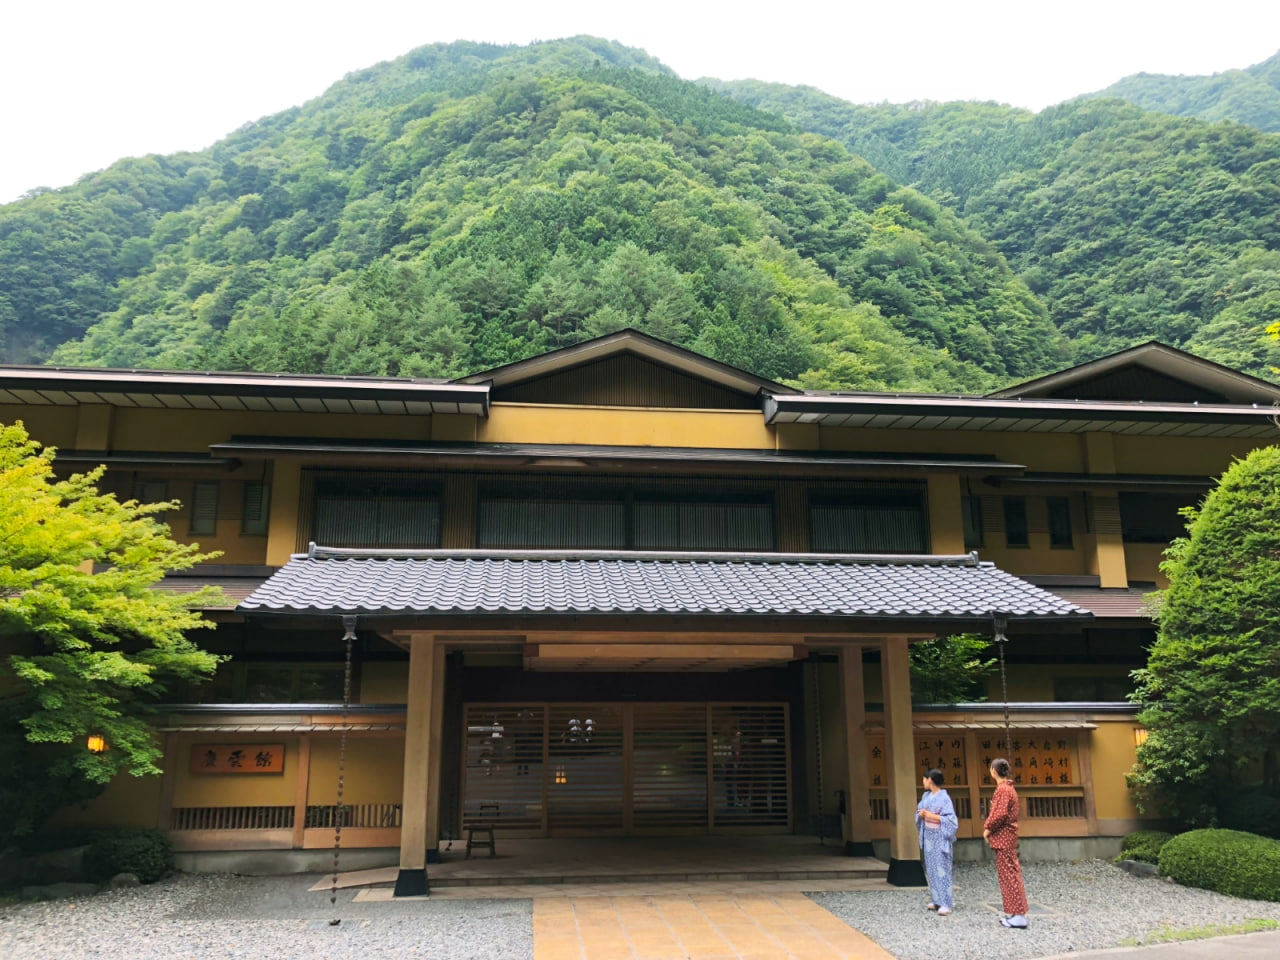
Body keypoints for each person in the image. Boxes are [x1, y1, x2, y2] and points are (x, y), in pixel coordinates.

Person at [983, 757, 1029, 928]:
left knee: (1009, 875)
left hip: (1003, 837)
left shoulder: (1002, 790)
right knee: (1010, 873)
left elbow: (1000, 814)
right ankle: (1016, 912)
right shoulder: (1009, 789)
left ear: (993, 771)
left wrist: (987, 828)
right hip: (1008, 837)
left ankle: (1018, 914)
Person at [916, 767, 959, 915]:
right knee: (932, 869)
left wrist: (929, 815)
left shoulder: (944, 798)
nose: (923, 781)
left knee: (942, 870)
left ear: (930, 780)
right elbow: (919, 811)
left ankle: (946, 903)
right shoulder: (926, 796)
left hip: (940, 836)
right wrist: (921, 814)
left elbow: (951, 821)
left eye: (924, 778)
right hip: (929, 837)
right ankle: (936, 900)